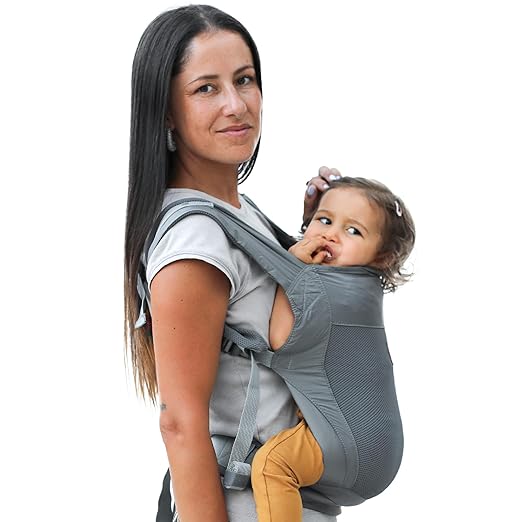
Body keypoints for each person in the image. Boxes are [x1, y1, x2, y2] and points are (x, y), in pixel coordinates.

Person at [124, 5, 340, 521]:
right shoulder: (196, 238)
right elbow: (180, 424)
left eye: (244, 80)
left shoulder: (238, 214)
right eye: (206, 88)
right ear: (165, 111)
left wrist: (314, 232)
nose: (236, 104)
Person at [251, 176, 416, 522]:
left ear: (382, 256)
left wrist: (291, 267)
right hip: (375, 449)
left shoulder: (327, 290)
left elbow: (279, 339)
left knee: (272, 464)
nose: (330, 235)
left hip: (350, 445)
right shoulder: (361, 288)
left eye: (353, 231)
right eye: (324, 220)